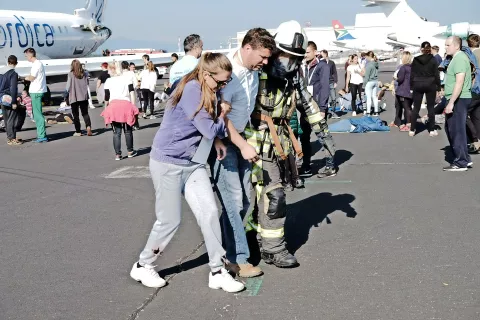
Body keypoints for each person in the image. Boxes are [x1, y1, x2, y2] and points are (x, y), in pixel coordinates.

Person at [130, 53, 251, 293]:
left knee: (209, 212)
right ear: (207, 74)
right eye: (221, 82)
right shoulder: (192, 89)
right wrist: (223, 113)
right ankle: (143, 265)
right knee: (169, 220)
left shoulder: (209, 88)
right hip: (168, 163)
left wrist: (217, 139)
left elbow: (207, 129)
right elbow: (208, 126)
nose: (223, 87)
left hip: (193, 163)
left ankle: (217, 271)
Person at [245, 20, 336, 268]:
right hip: (250, 144)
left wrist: (323, 131)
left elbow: (307, 102)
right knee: (246, 199)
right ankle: (246, 244)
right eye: (286, 56)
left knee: (273, 196)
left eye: (296, 58)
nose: (290, 63)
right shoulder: (254, 72)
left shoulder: (292, 75)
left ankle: (272, 249)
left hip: (276, 145)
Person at [208, 28, 275, 278]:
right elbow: (218, 115)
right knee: (234, 201)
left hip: (242, 140)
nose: (265, 63)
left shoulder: (253, 72)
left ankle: (229, 250)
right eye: (262, 57)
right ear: (247, 48)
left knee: (244, 200)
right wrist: (242, 144)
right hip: (222, 143)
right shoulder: (225, 72)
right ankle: (239, 259)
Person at [443, 36, 472, 171]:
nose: (446, 47)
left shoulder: (460, 58)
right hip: (457, 98)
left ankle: (461, 162)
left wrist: (451, 103)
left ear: (456, 46)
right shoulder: (456, 58)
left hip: (459, 99)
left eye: (448, 45)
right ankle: (464, 158)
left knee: (456, 131)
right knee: (453, 129)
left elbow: (459, 82)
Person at [101, 63, 139, 160]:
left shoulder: (108, 81)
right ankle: (130, 151)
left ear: (112, 70)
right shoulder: (127, 79)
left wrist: (106, 108)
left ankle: (118, 154)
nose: (108, 72)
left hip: (113, 107)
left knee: (116, 132)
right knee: (128, 131)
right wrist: (133, 106)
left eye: (108, 70)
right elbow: (132, 93)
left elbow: (106, 97)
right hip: (126, 105)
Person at [409, 41, 441, 137]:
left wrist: (411, 86)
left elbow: (412, 74)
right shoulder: (433, 59)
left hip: (417, 84)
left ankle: (412, 129)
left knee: (416, 108)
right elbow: (436, 74)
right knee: (430, 107)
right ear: (430, 49)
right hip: (430, 84)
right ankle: (431, 129)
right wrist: (439, 87)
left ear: (421, 49)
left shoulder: (416, 59)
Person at [24, 48, 48, 143]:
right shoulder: (38, 64)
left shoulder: (36, 64)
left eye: (26, 56)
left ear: (30, 55)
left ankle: (42, 135)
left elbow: (32, 77)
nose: (26, 58)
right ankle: (41, 134)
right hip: (37, 90)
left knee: (37, 114)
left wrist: (24, 78)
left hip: (36, 91)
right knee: (37, 113)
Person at [66, 60, 93, 137]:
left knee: (76, 115)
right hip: (83, 96)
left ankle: (78, 131)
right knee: (85, 113)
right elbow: (87, 83)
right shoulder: (84, 74)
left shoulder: (70, 74)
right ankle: (88, 126)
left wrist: (65, 94)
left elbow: (68, 87)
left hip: (74, 97)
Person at [0, 55, 21, 145]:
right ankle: (12, 139)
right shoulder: (13, 74)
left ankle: (9, 137)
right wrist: (14, 102)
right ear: (16, 63)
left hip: (1, 97)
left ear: (8, 62)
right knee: (12, 119)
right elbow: (13, 88)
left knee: (6, 119)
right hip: (9, 97)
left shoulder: (1, 71)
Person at [394, 52, 414, 132]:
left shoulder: (403, 68)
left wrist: (396, 78)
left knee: (406, 108)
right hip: (411, 90)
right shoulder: (413, 67)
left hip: (403, 90)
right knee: (408, 107)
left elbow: (400, 79)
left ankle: (409, 124)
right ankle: (408, 123)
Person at [319, 50, 339, 118]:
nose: (320, 56)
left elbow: (334, 72)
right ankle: (326, 112)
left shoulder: (331, 63)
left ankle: (333, 112)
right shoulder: (320, 63)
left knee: (334, 98)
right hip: (323, 83)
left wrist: (335, 81)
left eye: (322, 55)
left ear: (325, 55)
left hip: (331, 82)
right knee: (325, 99)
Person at [362, 51, 380, 116]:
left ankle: (368, 112)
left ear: (368, 56)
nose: (366, 58)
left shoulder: (369, 65)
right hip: (375, 81)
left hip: (369, 82)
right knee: (375, 97)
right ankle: (376, 112)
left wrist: (364, 85)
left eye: (366, 57)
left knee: (368, 98)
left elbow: (366, 76)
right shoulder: (376, 63)